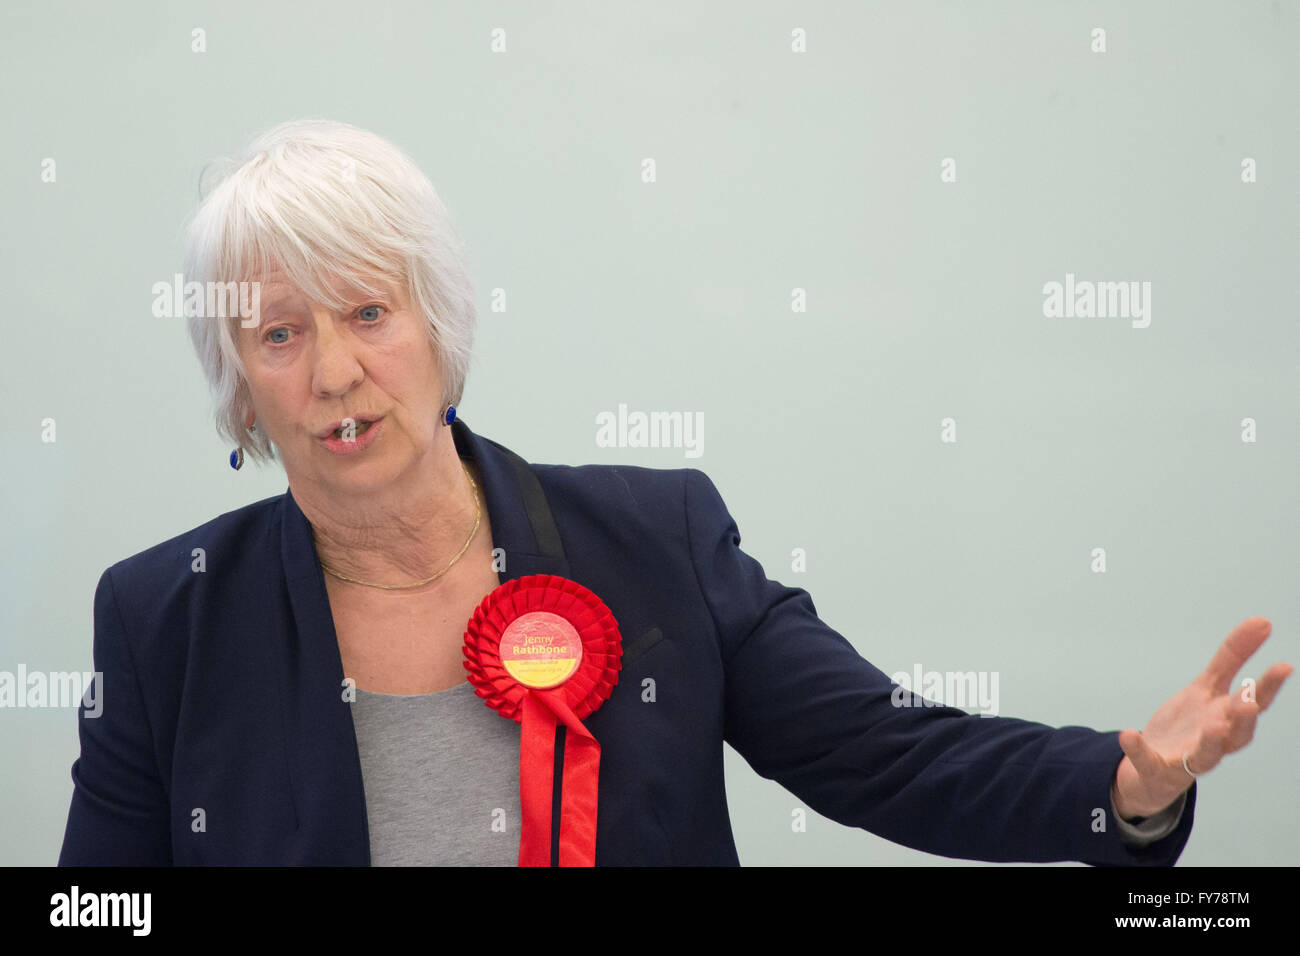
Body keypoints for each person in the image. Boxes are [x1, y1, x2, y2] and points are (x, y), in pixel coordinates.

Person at [57, 119, 1291, 866]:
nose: (333, 370)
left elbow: (883, 752)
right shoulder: (166, 615)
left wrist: (1121, 786)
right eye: (277, 335)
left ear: (440, 324)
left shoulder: (655, 543)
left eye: (369, 312)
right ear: (239, 389)